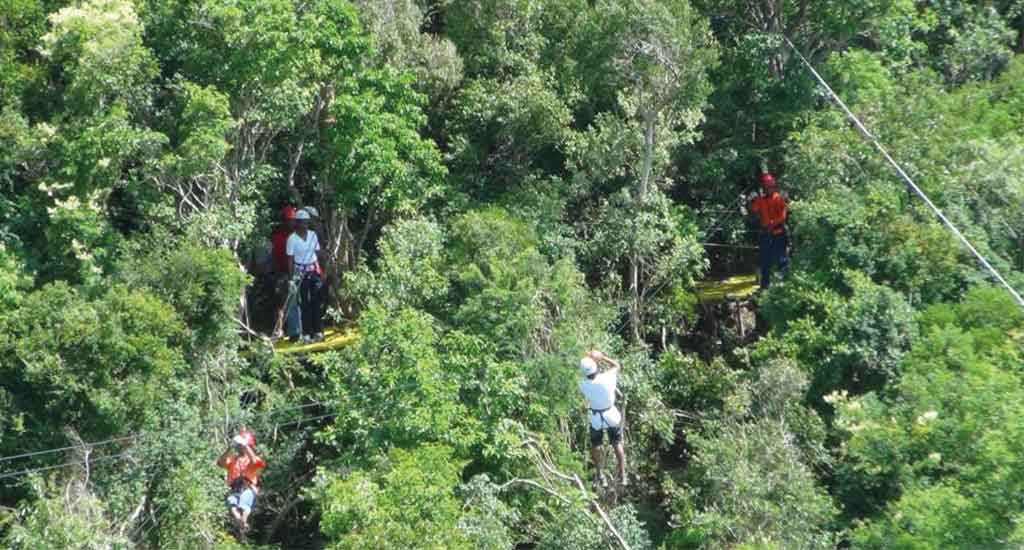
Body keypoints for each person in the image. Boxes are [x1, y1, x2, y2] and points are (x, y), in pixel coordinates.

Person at [579, 350, 627, 487]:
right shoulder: (607, 377)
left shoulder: (583, 384)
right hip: (611, 415)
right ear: (596, 367)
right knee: (617, 443)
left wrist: (588, 359)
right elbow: (617, 365)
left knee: (596, 445)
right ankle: (622, 474)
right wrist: (602, 357)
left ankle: (600, 474)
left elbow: (581, 375)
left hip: (595, 418)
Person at [216, 429, 266, 536]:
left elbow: (255, 462)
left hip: (248, 488)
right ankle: (241, 522)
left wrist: (245, 445)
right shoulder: (233, 459)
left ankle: (243, 521)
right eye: (239, 447)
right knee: (231, 504)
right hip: (235, 489)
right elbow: (220, 462)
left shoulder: (253, 459)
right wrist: (230, 448)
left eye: (241, 447)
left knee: (244, 504)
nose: (240, 449)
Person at [287, 209, 325, 343]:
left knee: (317, 300)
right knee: (305, 303)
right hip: (300, 273)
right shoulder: (292, 239)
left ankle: (318, 331)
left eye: (307, 223)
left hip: (313, 270)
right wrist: (292, 279)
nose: (305, 225)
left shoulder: (313, 235)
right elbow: (290, 260)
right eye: (302, 223)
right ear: (297, 223)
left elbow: (318, 253)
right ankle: (307, 333)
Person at [749, 173, 789, 288]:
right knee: (765, 262)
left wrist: (772, 223)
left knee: (781, 260)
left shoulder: (779, 198)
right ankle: (764, 287)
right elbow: (754, 209)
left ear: (774, 187)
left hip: (778, 233)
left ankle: (784, 286)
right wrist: (750, 201)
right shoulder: (761, 200)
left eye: (770, 187)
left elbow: (783, 216)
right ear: (764, 188)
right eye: (766, 188)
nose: (768, 190)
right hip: (765, 234)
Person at [271, 206, 300, 340]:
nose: (291, 223)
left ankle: (297, 331)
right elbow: (276, 258)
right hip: (282, 273)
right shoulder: (278, 237)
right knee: (280, 302)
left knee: (298, 300)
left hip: (298, 271)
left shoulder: (298, 236)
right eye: (289, 220)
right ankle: (281, 330)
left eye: (293, 220)